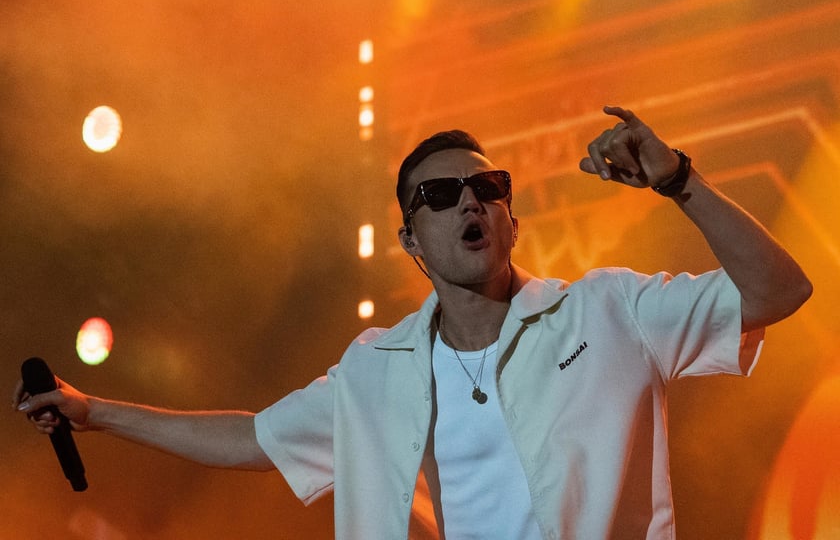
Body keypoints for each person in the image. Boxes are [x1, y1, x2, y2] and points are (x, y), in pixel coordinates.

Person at [13, 106, 812, 539]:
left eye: (488, 188)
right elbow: (252, 438)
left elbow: (780, 291)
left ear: (511, 219)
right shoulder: (378, 368)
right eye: (439, 195)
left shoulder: (607, 311)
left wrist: (678, 180)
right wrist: (95, 413)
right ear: (410, 243)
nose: (470, 202)